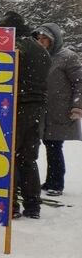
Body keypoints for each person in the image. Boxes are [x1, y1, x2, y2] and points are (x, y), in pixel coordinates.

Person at [0, 11, 51, 219]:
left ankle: (9, 205)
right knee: (28, 159)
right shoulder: (41, 49)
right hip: (37, 109)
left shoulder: (14, 47)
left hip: (16, 107)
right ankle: (33, 205)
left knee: (8, 155)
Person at [34, 23, 82, 197]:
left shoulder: (68, 57)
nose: (41, 42)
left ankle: (56, 183)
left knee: (54, 145)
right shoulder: (40, 56)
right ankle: (50, 181)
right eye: (39, 38)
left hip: (60, 110)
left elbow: (79, 82)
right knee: (48, 144)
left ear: (54, 39)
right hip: (44, 109)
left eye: (45, 38)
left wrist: (77, 105)